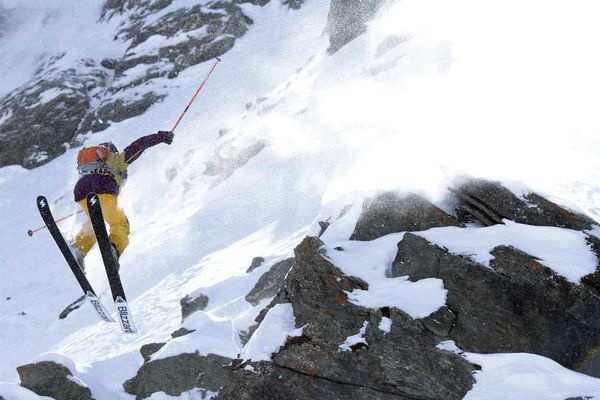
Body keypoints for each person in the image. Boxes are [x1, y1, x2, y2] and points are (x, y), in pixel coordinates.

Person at [69, 130, 174, 269]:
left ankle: (78, 249)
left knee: (96, 223)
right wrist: (161, 137)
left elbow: (89, 182)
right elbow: (139, 145)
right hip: (102, 186)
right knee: (120, 223)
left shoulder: (90, 165)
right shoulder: (116, 159)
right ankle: (114, 249)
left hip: (81, 190)